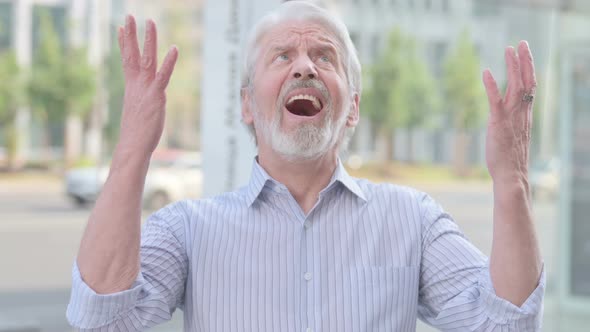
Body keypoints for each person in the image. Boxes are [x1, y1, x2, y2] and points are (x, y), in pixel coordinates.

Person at [66, 1, 544, 331]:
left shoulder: (411, 218)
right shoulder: (191, 229)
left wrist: (512, 181)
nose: (304, 67)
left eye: (323, 56)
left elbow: (506, 321)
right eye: (282, 55)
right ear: (248, 106)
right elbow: (102, 318)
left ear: (352, 108)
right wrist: (132, 148)